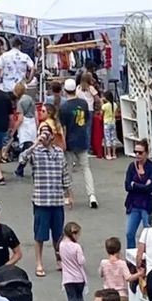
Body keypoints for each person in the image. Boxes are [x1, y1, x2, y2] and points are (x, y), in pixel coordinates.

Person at [18, 123, 72, 277]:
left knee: (58, 234)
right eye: (42, 132)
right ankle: (39, 263)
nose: (45, 136)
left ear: (52, 136)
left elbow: (64, 173)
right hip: (41, 200)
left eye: (47, 133)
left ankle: (59, 260)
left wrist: (68, 193)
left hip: (56, 200)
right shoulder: (35, 152)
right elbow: (21, 159)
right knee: (40, 235)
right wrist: (35, 143)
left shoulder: (59, 152)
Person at [60, 78, 98, 209]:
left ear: (65, 91)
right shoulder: (83, 103)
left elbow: (63, 127)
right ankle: (92, 195)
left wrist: (63, 143)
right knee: (86, 168)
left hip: (70, 140)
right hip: (82, 138)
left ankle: (68, 195)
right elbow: (87, 119)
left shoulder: (64, 107)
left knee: (68, 169)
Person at [124, 138, 152, 249]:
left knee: (149, 236)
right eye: (135, 152)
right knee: (129, 233)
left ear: (146, 153)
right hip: (134, 204)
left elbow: (150, 187)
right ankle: (131, 258)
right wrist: (142, 185)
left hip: (147, 206)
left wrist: (135, 185)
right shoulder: (131, 166)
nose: (137, 155)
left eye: (140, 152)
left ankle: (148, 258)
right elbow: (127, 186)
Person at [60, 221, 87, 301]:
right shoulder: (77, 247)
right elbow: (81, 261)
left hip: (67, 279)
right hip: (79, 278)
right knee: (80, 299)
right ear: (74, 234)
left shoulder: (61, 245)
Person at [12, 80, 37, 177]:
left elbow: (20, 118)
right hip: (32, 125)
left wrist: (14, 129)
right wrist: (37, 124)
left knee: (26, 150)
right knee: (31, 148)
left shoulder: (20, 102)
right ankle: (25, 169)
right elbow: (35, 113)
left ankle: (21, 169)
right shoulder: (30, 99)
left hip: (25, 126)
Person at [101, 90, 118, 160]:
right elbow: (116, 114)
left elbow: (102, 114)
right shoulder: (115, 104)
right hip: (113, 122)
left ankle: (109, 154)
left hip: (106, 123)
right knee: (113, 138)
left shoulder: (104, 106)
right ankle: (114, 153)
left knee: (107, 138)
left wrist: (102, 103)